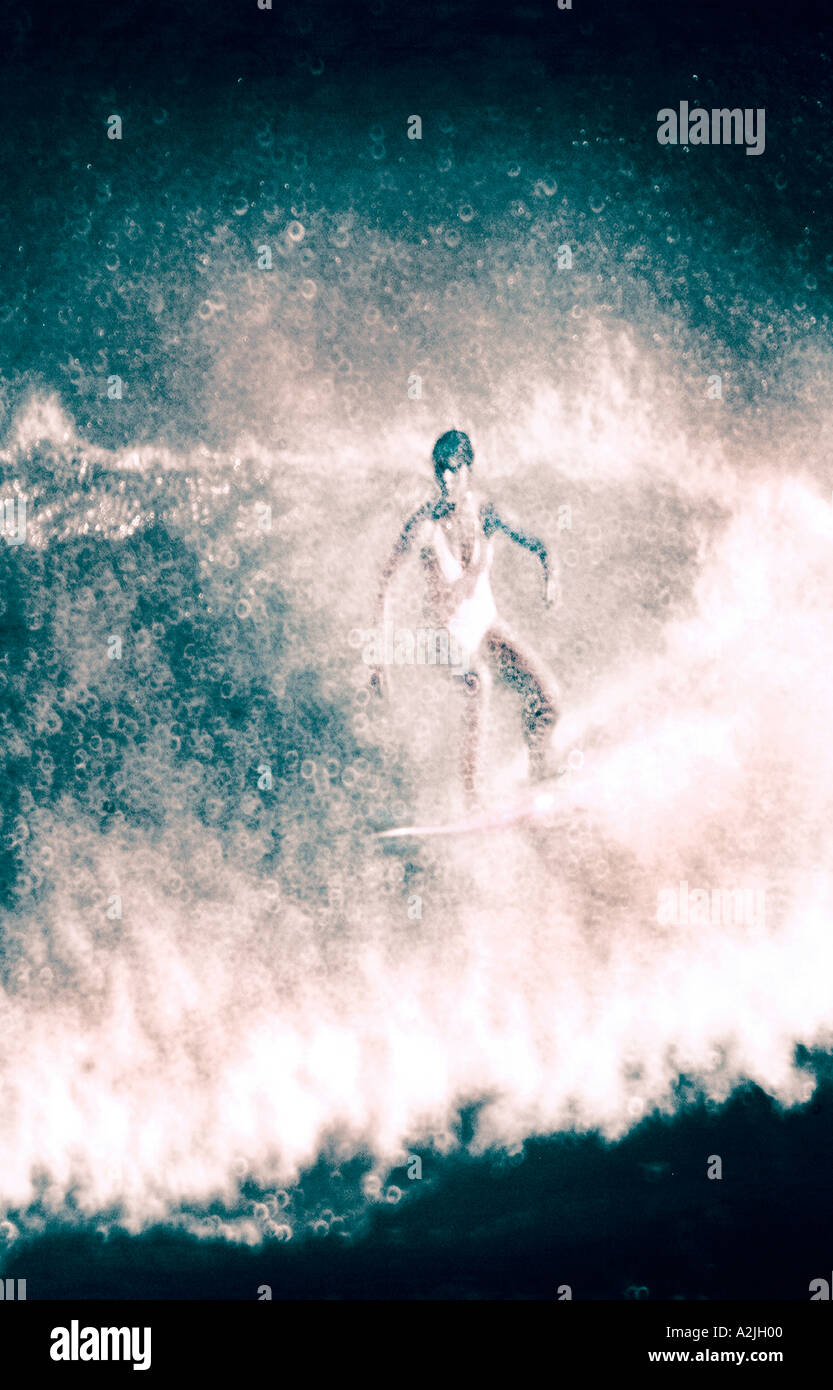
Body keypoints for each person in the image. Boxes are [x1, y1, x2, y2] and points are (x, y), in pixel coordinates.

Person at [370, 429, 561, 804]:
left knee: (548, 699)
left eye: (454, 470)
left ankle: (539, 767)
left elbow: (539, 545)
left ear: (468, 469)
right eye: (440, 470)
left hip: (486, 624)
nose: (445, 479)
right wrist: (379, 660)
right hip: (442, 636)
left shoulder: (487, 511)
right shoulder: (425, 524)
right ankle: (473, 798)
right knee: (479, 681)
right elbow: (385, 580)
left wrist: (551, 573)